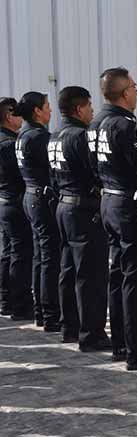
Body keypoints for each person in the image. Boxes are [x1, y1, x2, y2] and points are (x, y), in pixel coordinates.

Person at [90, 67, 137, 368]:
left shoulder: (95, 124)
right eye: (134, 87)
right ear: (124, 93)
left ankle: (120, 342)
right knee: (135, 281)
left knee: (118, 275)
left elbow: (92, 167)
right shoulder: (125, 125)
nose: (136, 93)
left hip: (108, 200)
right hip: (130, 206)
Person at [49, 86, 113, 352]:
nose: (92, 111)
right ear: (78, 109)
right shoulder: (80, 137)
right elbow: (96, 172)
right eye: (89, 106)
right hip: (84, 209)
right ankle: (91, 333)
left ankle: (70, 327)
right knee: (91, 274)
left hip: (64, 206)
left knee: (68, 270)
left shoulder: (55, 135)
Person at [15, 91, 61, 332]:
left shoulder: (23, 135)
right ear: (37, 111)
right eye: (47, 106)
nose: (50, 110)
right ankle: (51, 313)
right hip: (42, 199)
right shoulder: (39, 137)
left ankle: (41, 312)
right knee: (50, 258)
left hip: (31, 196)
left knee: (40, 256)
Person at [0, 98, 34, 321]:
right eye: (18, 113)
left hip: (4, 201)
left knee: (8, 253)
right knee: (21, 255)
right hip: (14, 201)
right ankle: (20, 304)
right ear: (9, 116)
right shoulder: (9, 144)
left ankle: (6, 301)